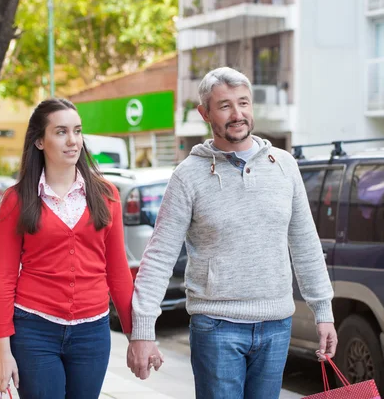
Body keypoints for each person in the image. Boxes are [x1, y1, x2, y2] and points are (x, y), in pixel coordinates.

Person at [127, 67, 337, 399]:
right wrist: (143, 330)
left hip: (276, 324)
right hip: (216, 326)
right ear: (205, 113)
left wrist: (323, 312)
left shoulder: (284, 166)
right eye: (225, 105)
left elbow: (305, 243)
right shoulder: (188, 176)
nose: (237, 114)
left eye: (243, 103)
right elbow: (159, 257)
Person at [0, 98, 136, 399]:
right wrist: (2, 351)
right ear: (40, 141)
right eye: (60, 132)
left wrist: (137, 335)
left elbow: (119, 271)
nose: (72, 141)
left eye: (77, 131)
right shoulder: (17, 200)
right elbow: (4, 278)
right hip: (34, 331)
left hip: (92, 333)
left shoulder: (106, 194)